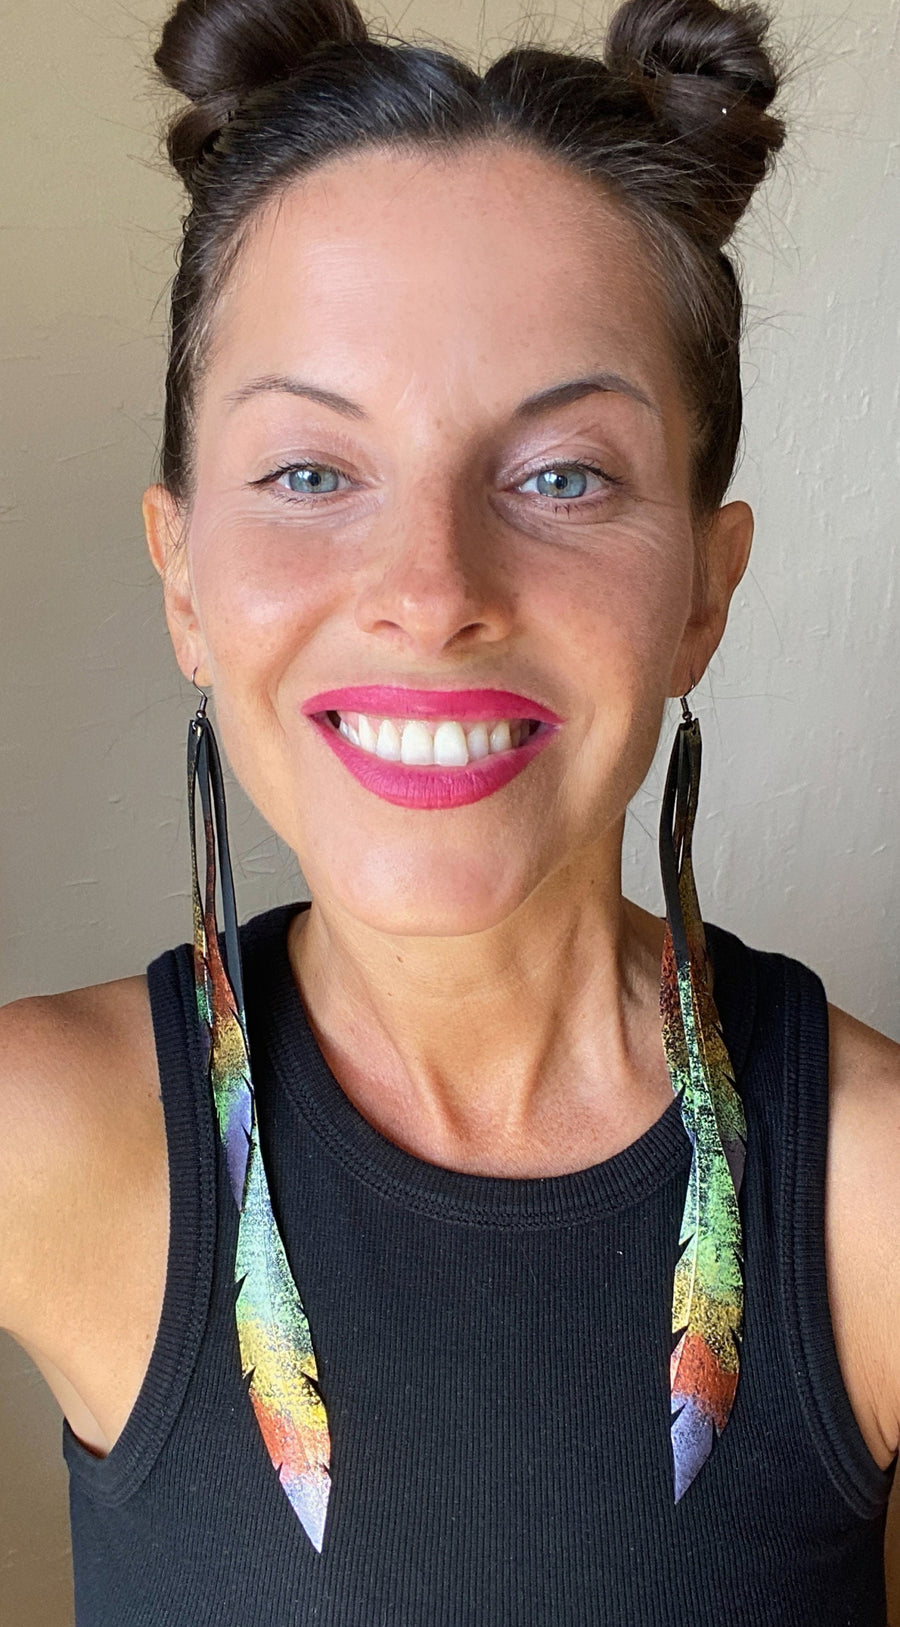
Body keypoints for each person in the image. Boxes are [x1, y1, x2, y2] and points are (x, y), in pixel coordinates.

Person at [1, 0, 897, 1620]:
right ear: (180, 574)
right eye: (310, 473)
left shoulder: (879, 1200)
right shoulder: (36, 1137)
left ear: (707, 589)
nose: (431, 593)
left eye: (561, 476)